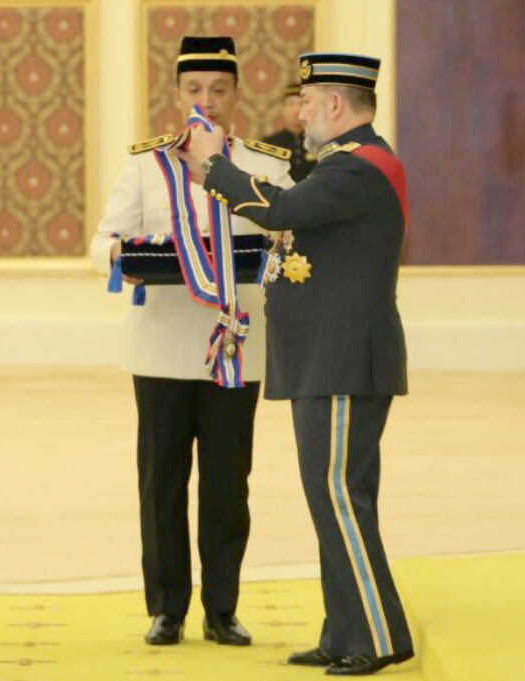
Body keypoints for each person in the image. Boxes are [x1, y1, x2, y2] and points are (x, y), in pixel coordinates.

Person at [186, 52, 415, 676]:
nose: (301, 114)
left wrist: (213, 164)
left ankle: (376, 637)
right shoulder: (348, 163)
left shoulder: (358, 165)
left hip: (341, 360)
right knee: (332, 501)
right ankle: (345, 632)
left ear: (335, 104)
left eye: (309, 102)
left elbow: (278, 211)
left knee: (340, 500)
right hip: (326, 358)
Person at [90, 36, 292, 647]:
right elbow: (102, 241)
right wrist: (127, 258)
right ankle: (166, 608)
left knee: (228, 484)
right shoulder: (144, 165)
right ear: (177, 95)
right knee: (162, 482)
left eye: (219, 89)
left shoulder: (264, 166)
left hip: (236, 348)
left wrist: (277, 250)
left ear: (237, 95)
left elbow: (290, 238)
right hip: (161, 348)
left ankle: (222, 609)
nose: (208, 99)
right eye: (195, 89)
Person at [263, 82, 317, 181]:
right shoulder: (270, 144)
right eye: (291, 104)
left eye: (301, 104)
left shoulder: (319, 142)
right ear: (282, 108)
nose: (296, 109)